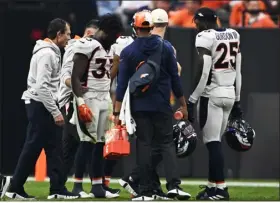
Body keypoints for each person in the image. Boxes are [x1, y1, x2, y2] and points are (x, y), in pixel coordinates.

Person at [114, 10, 190, 201]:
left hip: (139, 105)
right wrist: (183, 104)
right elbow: (175, 79)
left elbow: (122, 85)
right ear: (151, 26)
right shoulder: (165, 48)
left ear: (135, 27)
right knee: (166, 144)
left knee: (144, 145)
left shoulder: (128, 51)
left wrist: (116, 112)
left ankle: (146, 190)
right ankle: (174, 186)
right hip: (162, 103)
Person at [6, 18, 79, 200]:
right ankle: (15, 187)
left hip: (41, 103)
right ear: (59, 34)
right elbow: (42, 87)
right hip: (40, 104)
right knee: (33, 148)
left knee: (53, 149)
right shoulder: (47, 54)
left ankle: (56, 189)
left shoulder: (51, 52)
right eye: (67, 34)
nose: (69, 38)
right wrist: (55, 112)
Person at [186, 7, 242, 200]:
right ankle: (212, 187)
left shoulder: (205, 37)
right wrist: (237, 100)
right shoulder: (233, 34)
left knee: (212, 143)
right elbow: (239, 70)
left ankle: (221, 189)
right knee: (216, 143)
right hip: (229, 92)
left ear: (200, 21)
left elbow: (204, 70)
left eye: (196, 22)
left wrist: (192, 99)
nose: (195, 26)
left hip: (212, 95)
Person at [71, 13, 124, 198]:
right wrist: (80, 102)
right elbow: (75, 77)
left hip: (104, 98)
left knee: (100, 144)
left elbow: (109, 75)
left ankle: (97, 186)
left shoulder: (111, 47)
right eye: (113, 34)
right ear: (104, 31)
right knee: (86, 142)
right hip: (89, 97)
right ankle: (77, 186)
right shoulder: (88, 45)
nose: (115, 38)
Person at [58, 19, 99, 198]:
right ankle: (65, 186)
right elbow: (65, 75)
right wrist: (77, 88)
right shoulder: (75, 47)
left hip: (85, 100)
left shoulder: (96, 49)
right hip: (73, 101)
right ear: (87, 33)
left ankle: (59, 187)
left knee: (77, 146)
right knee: (80, 144)